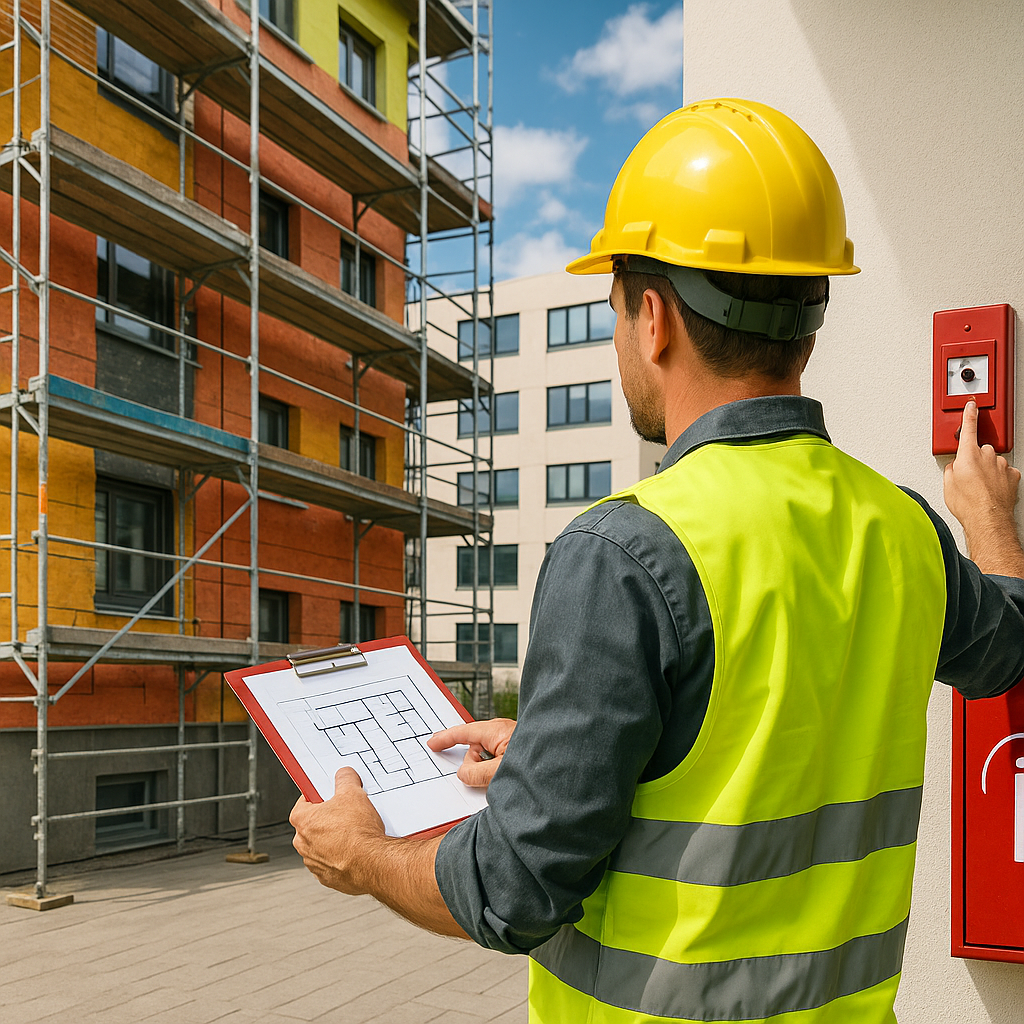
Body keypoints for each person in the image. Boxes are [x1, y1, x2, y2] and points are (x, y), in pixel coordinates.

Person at [290, 99, 1024, 1023]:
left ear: (652, 320)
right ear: (809, 316)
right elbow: (1009, 645)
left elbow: (511, 892)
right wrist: (990, 517)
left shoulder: (623, 552)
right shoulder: (905, 531)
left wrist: (362, 853)